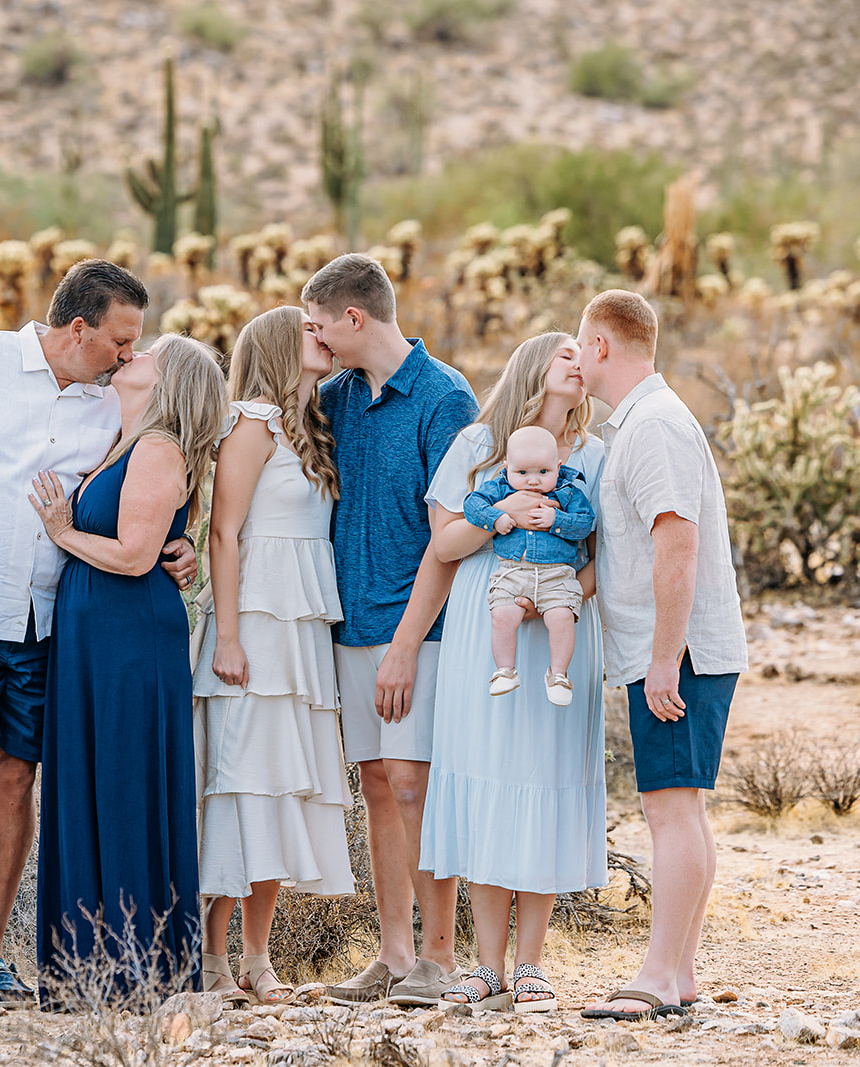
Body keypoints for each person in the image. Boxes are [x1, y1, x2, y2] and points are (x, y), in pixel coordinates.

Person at [0, 260, 197, 1013]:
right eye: (119, 339)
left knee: (16, 778)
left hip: (50, 618)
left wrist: (178, 545)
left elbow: (148, 484)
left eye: (136, 344)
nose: (128, 355)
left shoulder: (116, 402)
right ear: (76, 326)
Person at [302, 254, 480, 1007]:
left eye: (321, 325)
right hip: (352, 623)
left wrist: (407, 643)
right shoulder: (335, 395)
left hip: (422, 625)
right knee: (376, 784)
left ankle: (440, 955)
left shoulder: (445, 398)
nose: (316, 338)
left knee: (415, 785)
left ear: (355, 318)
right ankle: (395, 955)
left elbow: (450, 536)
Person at [30, 334, 227, 1007]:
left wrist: (62, 532)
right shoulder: (128, 439)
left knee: (121, 784)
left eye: (148, 351)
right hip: (98, 634)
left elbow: (136, 555)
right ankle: (93, 963)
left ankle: (130, 966)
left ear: (166, 378)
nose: (130, 355)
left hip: (127, 635)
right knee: (96, 782)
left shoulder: (156, 447)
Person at [421, 332, 608, 1014]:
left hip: (556, 630)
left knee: (543, 774)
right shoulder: (477, 445)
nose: (581, 364)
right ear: (536, 368)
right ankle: (487, 965)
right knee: (491, 773)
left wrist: (559, 598)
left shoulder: (593, 454)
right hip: (487, 624)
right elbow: (444, 543)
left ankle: (532, 963)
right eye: (568, 354)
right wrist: (500, 515)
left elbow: (603, 558)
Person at [573, 291, 747, 1022]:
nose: (576, 358)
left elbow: (677, 541)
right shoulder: (642, 423)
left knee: (669, 811)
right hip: (676, 648)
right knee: (681, 809)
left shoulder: (653, 426)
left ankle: (657, 973)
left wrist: (664, 657)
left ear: (603, 347)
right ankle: (678, 972)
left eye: (580, 345)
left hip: (679, 653)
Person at [190, 307, 353, 1006]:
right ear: (282, 348)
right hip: (253, 621)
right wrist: (227, 635)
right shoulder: (250, 422)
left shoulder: (313, 428)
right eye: (311, 332)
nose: (325, 338)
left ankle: (259, 955)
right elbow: (223, 535)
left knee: (283, 786)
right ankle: (212, 955)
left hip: (302, 629)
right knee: (239, 784)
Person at [463, 424, 596, 706]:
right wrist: (496, 517)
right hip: (513, 570)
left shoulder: (570, 491)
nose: (532, 481)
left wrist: (556, 521)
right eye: (522, 473)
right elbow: (472, 505)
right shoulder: (499, 487)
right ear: (507, 466)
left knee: (561, 618)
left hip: (556, 573)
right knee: (502, 616)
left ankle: (558, 674)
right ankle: (504, 671)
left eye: (543, 472)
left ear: (558, 466)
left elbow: (586, 523)